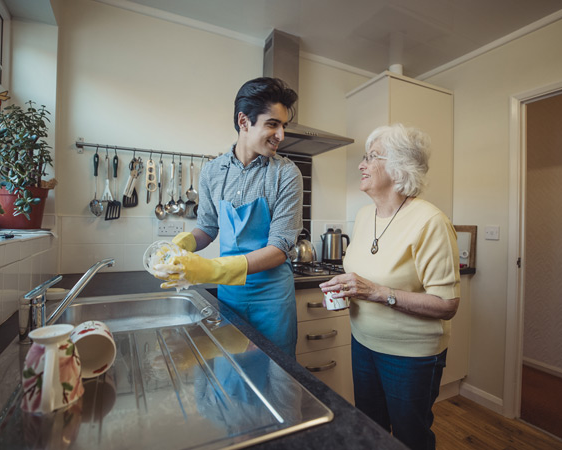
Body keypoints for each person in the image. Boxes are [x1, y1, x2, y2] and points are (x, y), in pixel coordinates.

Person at [319, 123, 460, 450]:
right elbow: (365, 272)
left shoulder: (430, 221)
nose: (361, 165)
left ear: (399, 167)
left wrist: (377, 292)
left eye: (371, 157)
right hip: (363, 343)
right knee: (370, 429)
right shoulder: (365, 215)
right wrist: (348, 288)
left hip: (409, 355)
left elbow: (447, 305)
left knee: (411, 436)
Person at [154, 77, 303, 357]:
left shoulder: (286, 174)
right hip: (230, 297)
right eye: (272, 124)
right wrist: (183, 243)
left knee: (277, 378)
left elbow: (280, 249)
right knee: (233, 374)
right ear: (244, 121)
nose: (281, 135)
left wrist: (213, 270)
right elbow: (208, 228)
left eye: (284, 126)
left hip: (272, 301)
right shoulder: (212, 171)